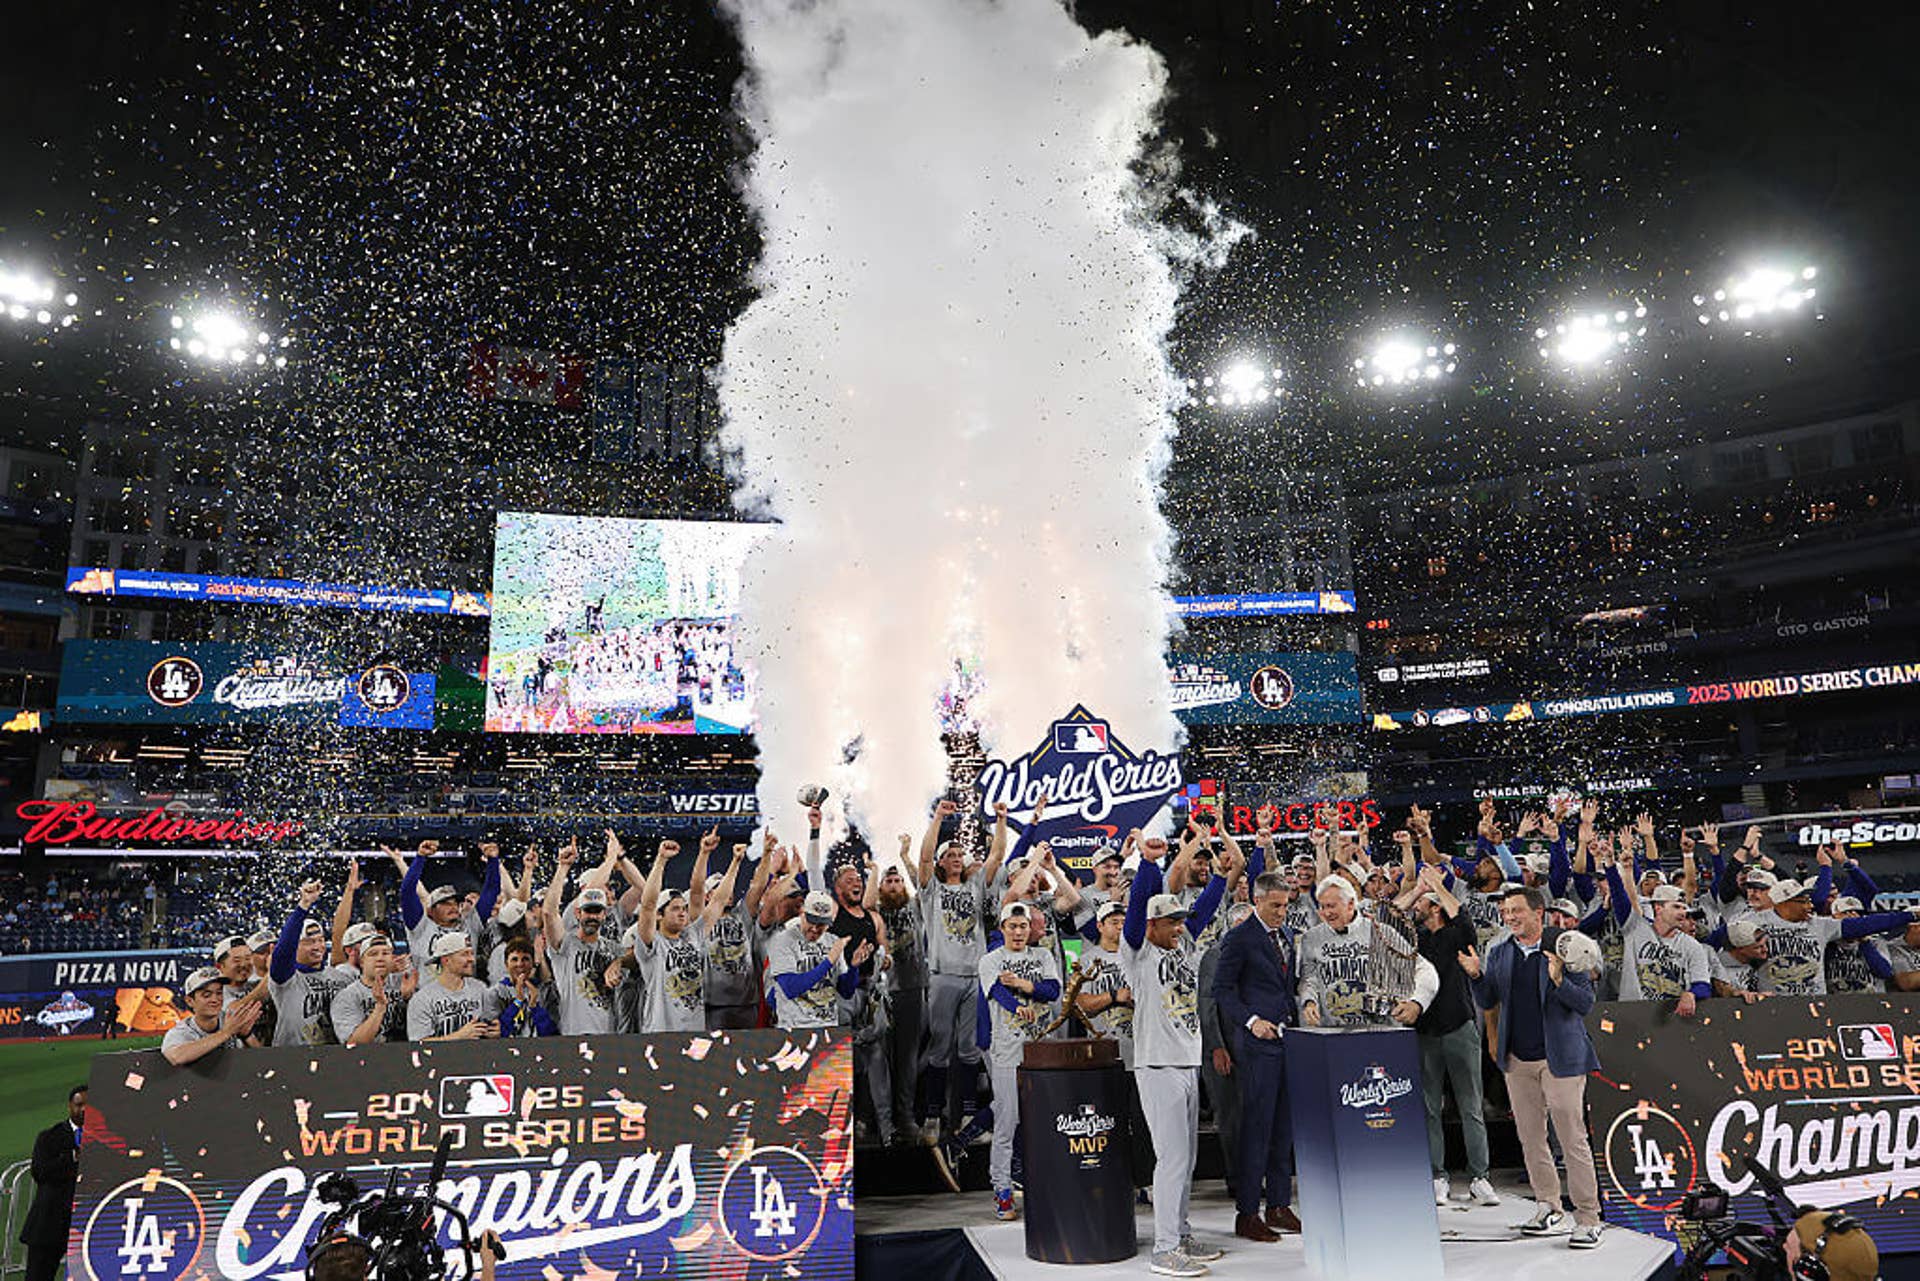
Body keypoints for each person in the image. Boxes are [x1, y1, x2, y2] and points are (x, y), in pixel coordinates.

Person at [1461, 885, 1603, 1249]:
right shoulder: (1501, 950)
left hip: (1562, 1060)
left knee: (1572, 1139)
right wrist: (1477, 976)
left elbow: (1585, 1003)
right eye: (1506, 911)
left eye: (1516, 911)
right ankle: (1548, 1206)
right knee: (1531, 1139)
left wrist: (1558, 980)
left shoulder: (1565, 946)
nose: (1509, 917)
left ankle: (1588, 1217)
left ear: (1538, 913)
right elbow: (1489, 999)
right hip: (1518, 1060)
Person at [1122, 835, 1235, 1278]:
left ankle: (1181, 1233)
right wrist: (1149, 863)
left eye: (1179, 921)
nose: (1178, 927)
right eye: (1170, 922)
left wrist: (1223, 876)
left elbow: (1204, 909)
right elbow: (1136, 909)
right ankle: (1164, 1248)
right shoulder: (1137, 949)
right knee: (1170, 1159)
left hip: (1187, 1062)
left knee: (1185, 1159)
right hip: (1157, 1065)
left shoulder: (1182, 942)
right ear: (1152, 926)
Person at [1209, 871, 1304, 1243]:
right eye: (1276, 906)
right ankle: (1247, 1213)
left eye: (1286, 905)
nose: (1283, 912)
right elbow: (1221, 990)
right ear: (1258, 901)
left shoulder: (1286, 936)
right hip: (1256, 1048)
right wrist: (1251, 1021)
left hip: (1287, 1043)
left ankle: (1278, 1205)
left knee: (1283, 1129)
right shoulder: (1239, 938)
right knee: (1257, 1130)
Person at [1397, 865, 1498, 1207]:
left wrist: (1437, 887)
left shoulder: (1457, 934)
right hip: (1424, 1030)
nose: (1416, 909)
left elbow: (1461, 915)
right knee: (1429, 1108)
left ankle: (1479, 1177)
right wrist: (1416, 890)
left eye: (1422, 905)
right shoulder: (1413, 939)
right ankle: (1437, 1175)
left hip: (1460, 1026)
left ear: (1435, 907)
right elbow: (1390, 917)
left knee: (1471, 1106)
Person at [917, 798, 1013, 1139]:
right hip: (942, 976)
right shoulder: (932, 890)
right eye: (950, 855)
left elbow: (997, 856)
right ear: (943, 862)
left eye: (960, 855)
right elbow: (924, 857)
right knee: (940, 1047)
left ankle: (969, 1116)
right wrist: (938, 818)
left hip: (974, 975)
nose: (956, 859)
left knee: (970, 1048)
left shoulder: (975, 887)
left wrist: (1001, 820)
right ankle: (933, 1116)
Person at [976, 900, 1061, 1221]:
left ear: (1030, 928)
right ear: (1002, 929)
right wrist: (1017, 1006)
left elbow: (1052, 991)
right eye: (1012, 926)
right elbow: (996, 992)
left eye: (1023, 926)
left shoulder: (1043, 955)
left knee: (1042, 1123)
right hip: (1007, 1050)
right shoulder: (991, 960)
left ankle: (1044, 1186)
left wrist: (1026, 985)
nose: (1018, 931)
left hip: (1042, 1049)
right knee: (1008, 1122)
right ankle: (1002, 1190)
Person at [768, 891, 865, 1029]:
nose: (814, 928)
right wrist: (829, 961)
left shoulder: (832, 941)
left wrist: (854, 967)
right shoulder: (783, 940)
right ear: (802, 913)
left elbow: (846, 992)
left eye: (821, 924)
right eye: (811, 921)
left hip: (829, 1028)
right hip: (795, 1029)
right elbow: (790, 988)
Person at [20, 1085, 86, 1281]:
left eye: (89, 1105)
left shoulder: (109, 1139)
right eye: (79, 1104)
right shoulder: (49, 1137)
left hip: (89, 1225)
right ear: (69, 1106)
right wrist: (73, 1157)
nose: (83, 1109)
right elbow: (40, 1172)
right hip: (49, 1224)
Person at [406, 933, 500, 1041]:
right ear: (446, 960)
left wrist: (495, 1031)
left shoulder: (480, 989)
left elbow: (492, 1023)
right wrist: (459, 1036)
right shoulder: (422, 999)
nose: (472, 959)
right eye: (465, 954)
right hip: (441, 1058)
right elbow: (418, 1044)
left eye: (471, 953)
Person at [163, 967, 261, 1065]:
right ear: (190, 1001)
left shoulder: (231, 1020)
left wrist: (246, 1036)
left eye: (219, 993)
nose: (215, 1000)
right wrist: (226, 1033)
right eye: (206, 995)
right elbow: (176, 1057)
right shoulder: (182, 1031)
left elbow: (262, 1061)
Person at [494, 934, 559, 1036]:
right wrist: (518, 1002)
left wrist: (534, 1006)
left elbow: (550, 1033)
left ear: (532, 963)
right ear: (506, 964)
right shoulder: (497, 992)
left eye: (525, 959)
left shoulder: (545, 991)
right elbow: (499, 1032)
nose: (520, 964)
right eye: (514, 959)